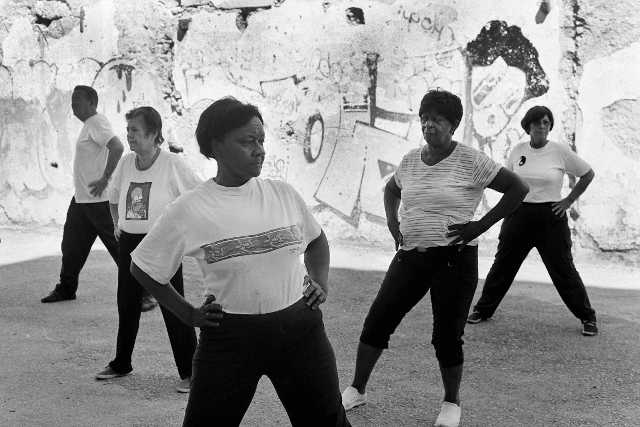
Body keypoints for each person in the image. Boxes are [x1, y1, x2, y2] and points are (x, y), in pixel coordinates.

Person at [129, 97, 351, 426]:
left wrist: (320, 280)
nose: (259, 149)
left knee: (326, 421)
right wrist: (188, 314)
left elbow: (316, 240)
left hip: (300, 332)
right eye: (248, 141)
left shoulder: (282, 193)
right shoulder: (190, 208)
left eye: (261, 140)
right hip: (230, 339)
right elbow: (143, 268)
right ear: (215, 146)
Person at [340, 89, 529, 427]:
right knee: (377, 321)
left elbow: (518, 188)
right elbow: (391, 189)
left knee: (446, 335)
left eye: (438, 120)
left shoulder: (472, 160)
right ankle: (357, 388)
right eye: (425, 119)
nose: (429, 125)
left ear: (453, 125)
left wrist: (480, 225)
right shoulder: (411, 159)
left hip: (454, 259)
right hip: (410, 255)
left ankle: (451, 403)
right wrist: (392, 221)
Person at [94, 107, 201, 392]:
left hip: (162, 242)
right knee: (127, 303)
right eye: (127, 130)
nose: (129, 136)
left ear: (154, 134)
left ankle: (192, 372)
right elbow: (114, 197)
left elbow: (197, 196)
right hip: (129, 242)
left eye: (135, 130)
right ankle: (121, 363)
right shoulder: (127, 162)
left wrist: (184, 234)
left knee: (173, 305)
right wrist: (118, 225)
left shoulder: (171, 163)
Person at [467, 106, 598, 336]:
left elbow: (587, 174)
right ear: (528, 126)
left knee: (564, 270)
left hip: (551, 216)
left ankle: (587, 318)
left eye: (547, 122)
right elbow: (509, 182)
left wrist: (568, 201)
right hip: (519, 215)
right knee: (502, 266)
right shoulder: (517, 151)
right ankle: (482, 310)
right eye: (538, 122)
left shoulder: (560, 151)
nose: (542, 126)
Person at [41, 86, 124, 303]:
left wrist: (105, 178)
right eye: (72, 101)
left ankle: (144, 291)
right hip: (81, 200)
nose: (73, 105)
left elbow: (117, 147)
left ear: (92, 102)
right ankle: (66, 289)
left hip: (98, 200)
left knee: (118, 248)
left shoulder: (97, 122)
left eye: (78, 100)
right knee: (71, 247)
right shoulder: (89, 125)